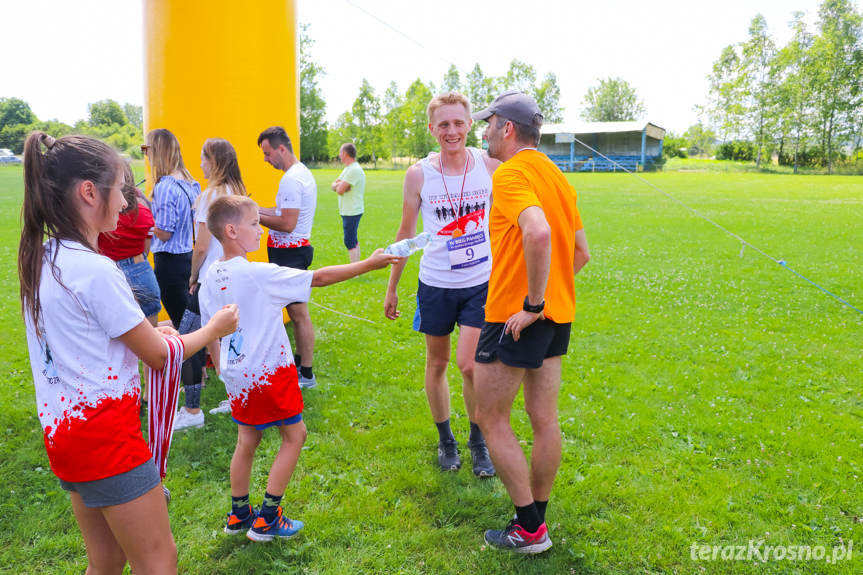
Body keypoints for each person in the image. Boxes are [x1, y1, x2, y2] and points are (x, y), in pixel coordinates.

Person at [19, 132, 239, 574]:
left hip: (66, 435)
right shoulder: (97, 270)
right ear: (88, 192)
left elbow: (89, 337)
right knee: (158, 560)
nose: (127, 202)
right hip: (106, 438)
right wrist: (214, 328)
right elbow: (159, 356)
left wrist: (147, 330)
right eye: (121, 188)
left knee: (106, 560)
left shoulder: (43, 256)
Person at [198, 195, 401, 541]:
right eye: (253, 224)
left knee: (247, 440)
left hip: (237, 377)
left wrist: (222, 371)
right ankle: (268, 520)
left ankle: (238, 515)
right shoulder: (257, 273)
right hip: (269, 374)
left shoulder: (209, 276)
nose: (260, 230)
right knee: (296, 436)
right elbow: (317, 278)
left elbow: (210, 332)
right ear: (231, 231)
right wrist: (369, 263)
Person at [470, 91, 590, 553]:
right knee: (544, 418)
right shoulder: (557, 176)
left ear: (508, 128)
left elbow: (537, 232)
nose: (483, 132)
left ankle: (529, 529)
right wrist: (547, 296)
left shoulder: (513, 173)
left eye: (488, 123)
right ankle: (536, 518)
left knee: (490, 416)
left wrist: (532, 303)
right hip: (556, 314)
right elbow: (579, 253)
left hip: (515, 316)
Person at [384, 92, 500, 477]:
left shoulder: (490, 166)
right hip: (435, 283)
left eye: (458, 123)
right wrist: (392, 286)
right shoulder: (419, 174)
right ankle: (445, 439)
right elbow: (406, 231)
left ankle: (477, 441)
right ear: (432, 129)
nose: (452, 131)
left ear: (470, 125)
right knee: (438, 363)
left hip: (479, 282)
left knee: (470, 366)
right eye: (443, 124)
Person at [173, 138, 249, 429]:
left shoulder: (210, 195)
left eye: (203, 158)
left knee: (187, 340)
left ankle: (192, 412)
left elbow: (201, 247)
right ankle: (238, 397)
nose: (200, 164)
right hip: (235, 275)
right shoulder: (238, 192)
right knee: (230, 339)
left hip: (210, 279)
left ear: (214, 161)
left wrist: (192, 277)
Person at [256, 127, 318, 389]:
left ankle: (306, 373)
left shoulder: (292, 179)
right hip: (289, 251)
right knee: (295, 313)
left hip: (291, 252)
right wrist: (252, 207)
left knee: (299, 314)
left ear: (282, 149)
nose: (266, 160)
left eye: (268, 154)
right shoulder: (296, 174)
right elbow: (279, 211)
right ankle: (298, 362)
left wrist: (252, 217)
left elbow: (286, 223)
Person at [98, 163, 161, 414]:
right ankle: (150, 394)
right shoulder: (144, 213)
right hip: (140, 269)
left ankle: (127, 393)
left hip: (110, 271)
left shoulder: (103, 213)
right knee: (151, 337)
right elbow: (145, 247)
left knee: (115, 341)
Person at [144, 128, 201, 328]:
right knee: (191, 324)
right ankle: (202, 359)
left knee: (185, 328)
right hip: (188, 257)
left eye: (146, 149)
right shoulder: (193, 184)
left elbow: (165, 233)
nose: (146, 154)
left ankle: (193, 361)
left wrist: (144, 220)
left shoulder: (164, 187)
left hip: (169, 263)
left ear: (157, 150)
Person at [330, 143, 365, 263]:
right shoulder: (348, 169)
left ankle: (354, 270)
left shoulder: (354, 169)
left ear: (345, 153)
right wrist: (341, 185)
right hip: (349, 210)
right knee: (353, 239)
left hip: (352, 210)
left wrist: (339, 186)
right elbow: (333, 185)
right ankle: (357, 267)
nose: (339, 155)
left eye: (340, 152)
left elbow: (339, 190)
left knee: (349, 240)